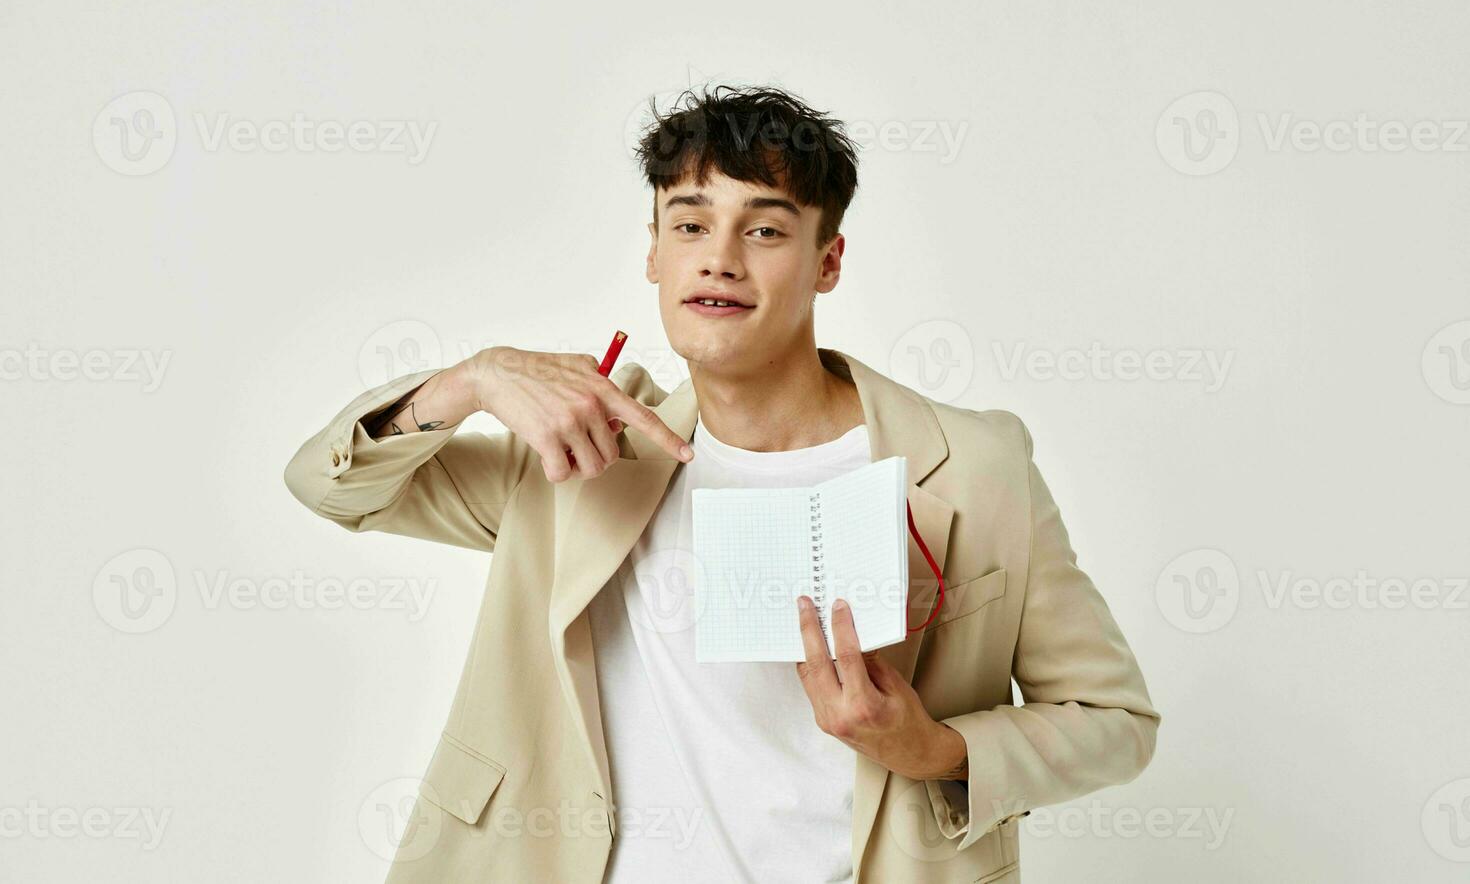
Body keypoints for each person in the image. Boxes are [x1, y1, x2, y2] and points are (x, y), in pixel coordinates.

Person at [283, 84, 1160, 883]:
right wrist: (469, 381)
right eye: (690, 224)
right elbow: (332, 488)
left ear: (829, 261)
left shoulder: (973, 466)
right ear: (655, 255)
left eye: (767, 229)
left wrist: (932, 749)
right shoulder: (581, 452)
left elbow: (1113, 723)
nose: (721, 259)